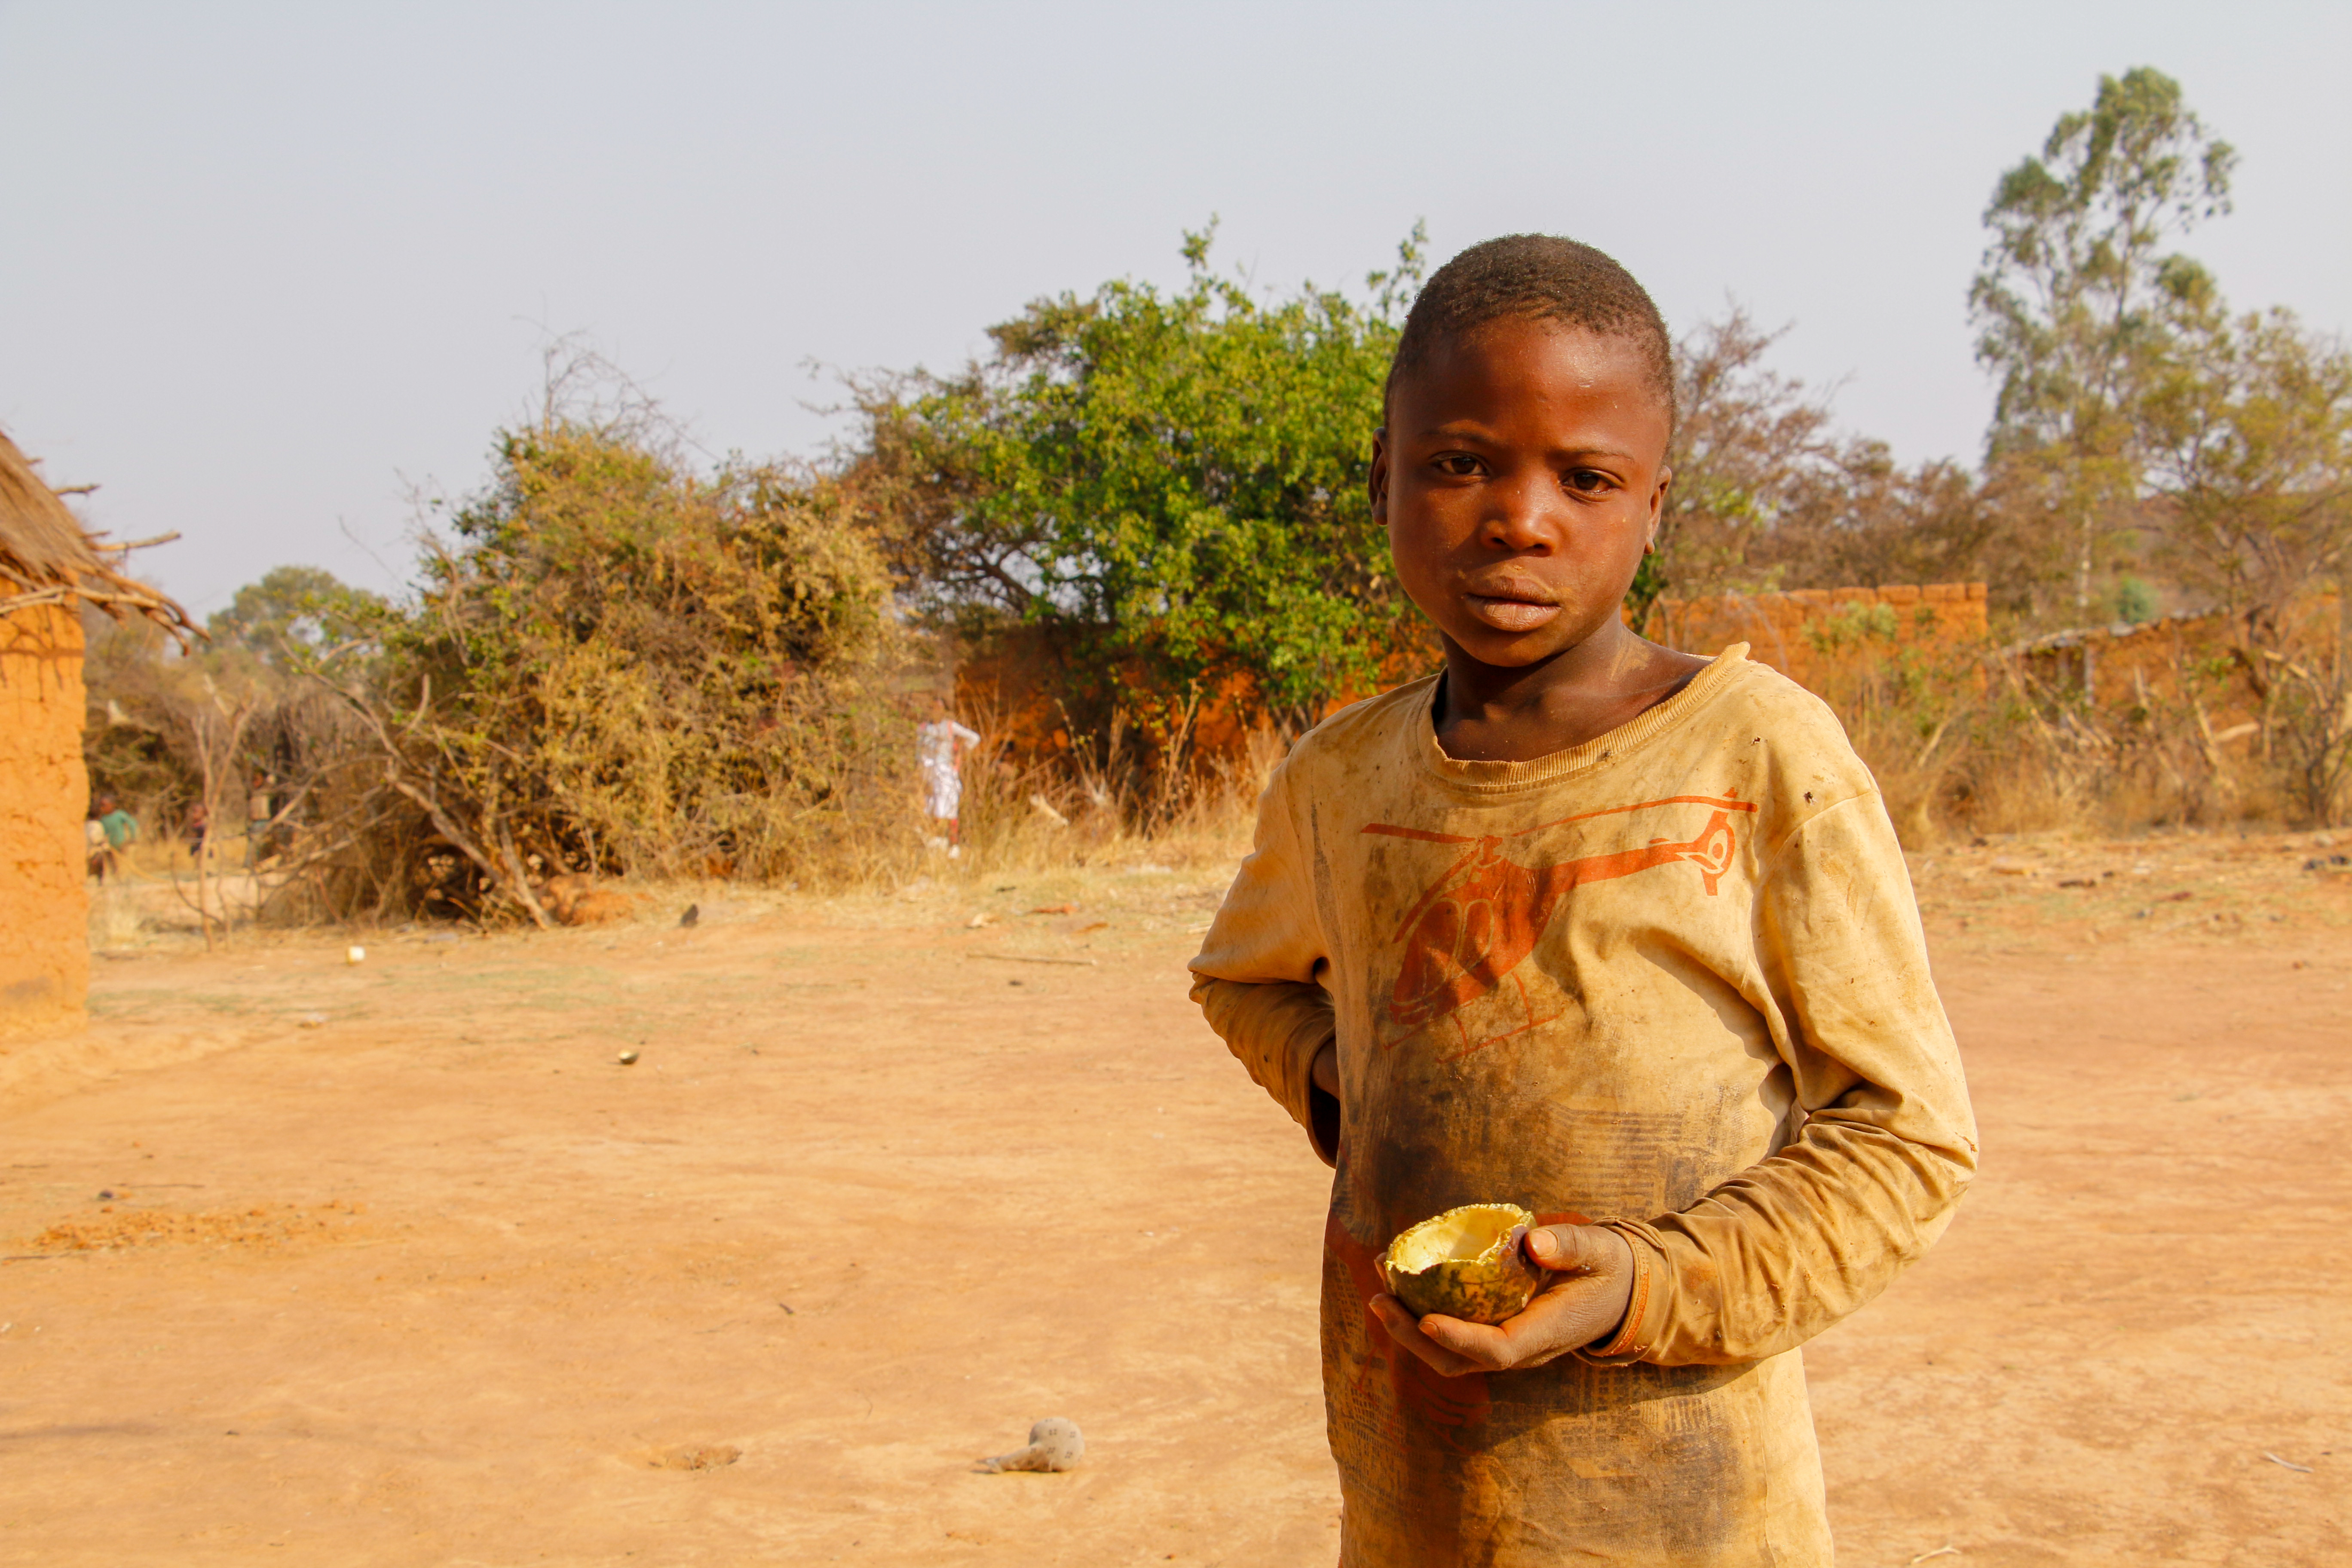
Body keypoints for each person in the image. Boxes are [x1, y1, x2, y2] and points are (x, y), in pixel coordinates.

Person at [1189, 236, 1976, 1566]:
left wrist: (1639, 1281)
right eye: (1460, 463)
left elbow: (1906, 1140)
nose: (1521, 517)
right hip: (1413, 1489)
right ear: (1384, 476)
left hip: (1685, 1506)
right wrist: (1361, 1095)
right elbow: (1244, 977)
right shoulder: (1341, 777)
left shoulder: (1757, 755)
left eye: (1587, 478)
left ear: (1654, 504)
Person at [916, 695, 980, 856]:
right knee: (930, 806)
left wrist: (962, 752)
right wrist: (920, 774)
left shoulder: (951, 726)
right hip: (929, 773)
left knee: (950, 806)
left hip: (946, 772)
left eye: (939, 708)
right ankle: (934, 843)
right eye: (933, 708)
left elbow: (974, 737)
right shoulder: (923, 729)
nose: (936, 711)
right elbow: (919, 753)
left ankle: (953, 845)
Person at [92, 794, 138, 882]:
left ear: (112, 805)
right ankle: (118, 881)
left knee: (123, 863)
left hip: (121, 844)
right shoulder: (103, 819)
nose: (102, 808)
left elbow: (132, 824)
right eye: (101, 806)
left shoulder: (120, 815)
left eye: (104, 805)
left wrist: (133, 838)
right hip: (110, 846)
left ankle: (127, 880)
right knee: (113, 865)